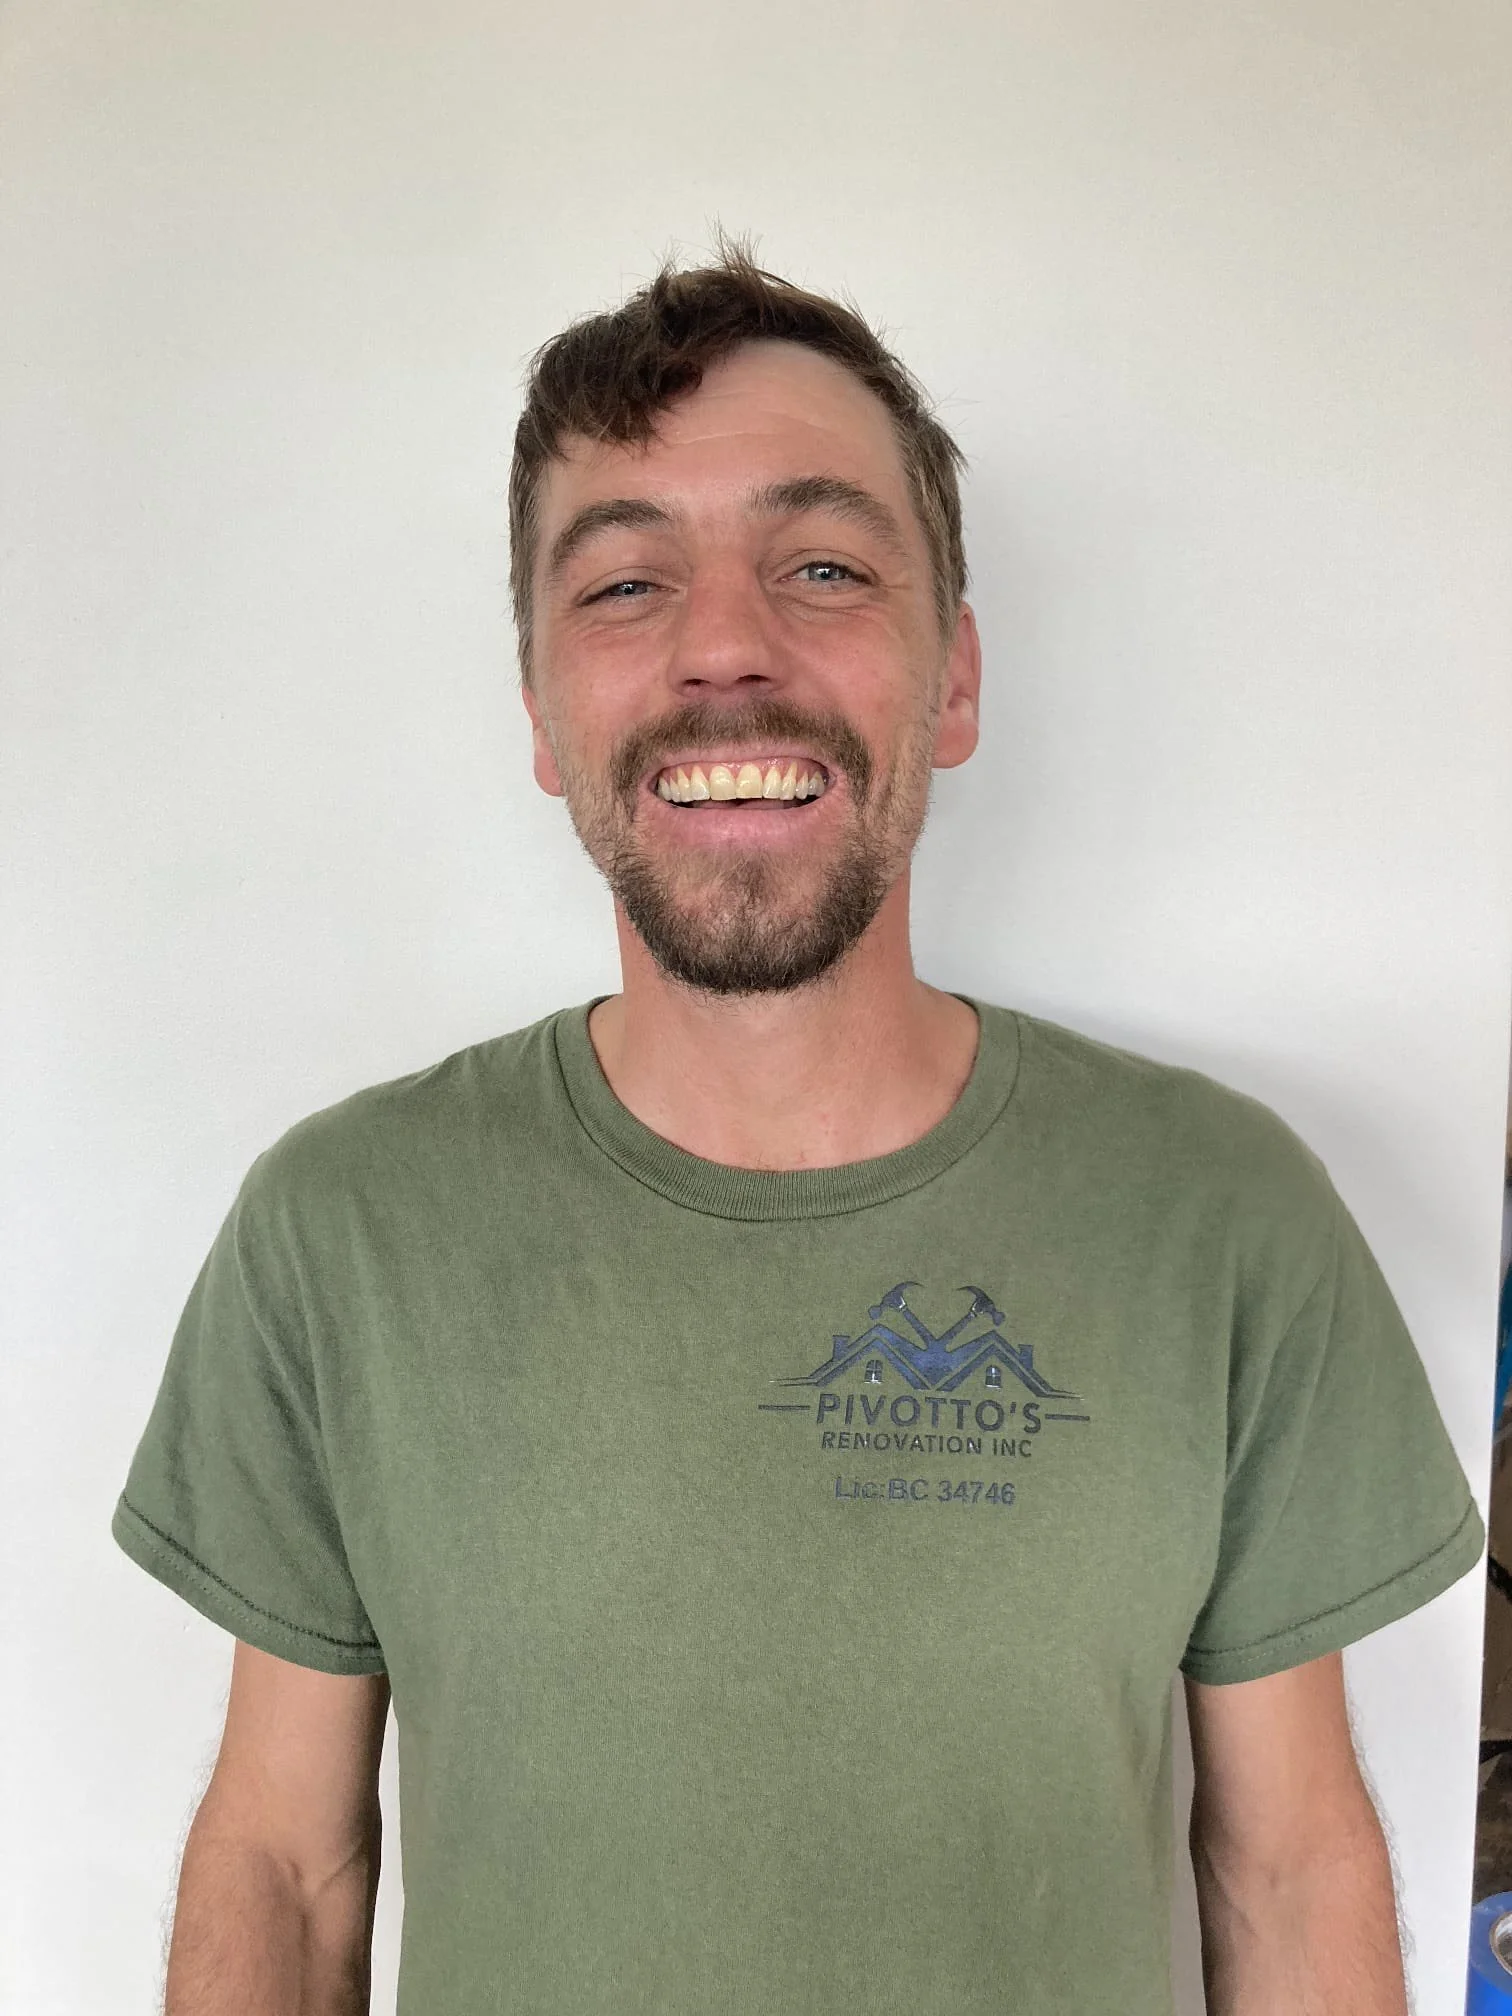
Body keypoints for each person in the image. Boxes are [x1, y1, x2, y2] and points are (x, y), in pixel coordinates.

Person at [113, 242, 1484, 2016]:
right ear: (542, 713)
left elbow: (1289, 1872)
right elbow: (285, 1870)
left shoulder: (1221, 1214)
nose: (724, 650)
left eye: (823, 566)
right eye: (625, 585)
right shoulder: (340, 1232)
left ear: (954, 681)